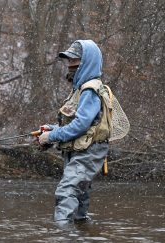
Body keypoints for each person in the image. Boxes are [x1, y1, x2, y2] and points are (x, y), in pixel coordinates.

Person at [38, 40, 112, 224]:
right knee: (79, 199)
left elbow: (81, 125)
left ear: (86, 63)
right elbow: (85, 123)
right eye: (69, 61)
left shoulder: (90, 90)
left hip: (88, 151)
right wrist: (51, 129)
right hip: (83, 150)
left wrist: (51, 136)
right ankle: (79, 235)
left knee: (67, 191)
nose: (71, 66)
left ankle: (63, 235)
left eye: (75, 61)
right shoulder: (80, 90)